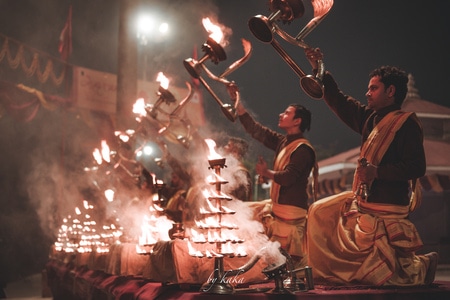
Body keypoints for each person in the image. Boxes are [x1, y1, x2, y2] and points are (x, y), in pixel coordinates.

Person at [303, 47, 438, 286]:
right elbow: (340, 101)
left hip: (387, 206)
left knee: (381, 277)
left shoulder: (406, 124)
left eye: (373, 88)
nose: (367, 93)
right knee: (318, 211)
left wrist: (377, 172)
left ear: (391, 91)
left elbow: (417, 167)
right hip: (363, 202)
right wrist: (319, 70)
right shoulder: (370, 119)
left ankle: (422, 265)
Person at [227, 84, 318, 268]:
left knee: (290, 266)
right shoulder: (283, 141)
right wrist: (237, 101)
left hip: (291, 214)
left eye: (286, 113)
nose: (280, 115)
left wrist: (267, 173)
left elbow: (289, 177)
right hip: (278, 210)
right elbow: (256, 130)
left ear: (297, 121)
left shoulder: (303, 149)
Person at [222, 136, 253, 201]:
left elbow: (240, 201)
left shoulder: (240, 172)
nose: (225, 147)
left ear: (235, 152)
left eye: (228, 145)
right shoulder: (230, 170)